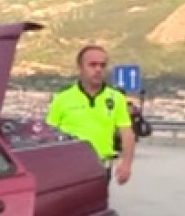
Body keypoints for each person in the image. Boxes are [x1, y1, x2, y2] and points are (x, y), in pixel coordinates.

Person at [46, 45, 135, 185]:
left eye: (102, 65)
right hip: (68, 168)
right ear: (80, 68)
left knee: (96, 207)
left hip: (100, 168)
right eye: (92, 65)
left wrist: (126, 164)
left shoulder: (116, 98)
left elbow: (127, 133)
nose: (98, 70)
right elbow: (48, 135)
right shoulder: (62, 98)